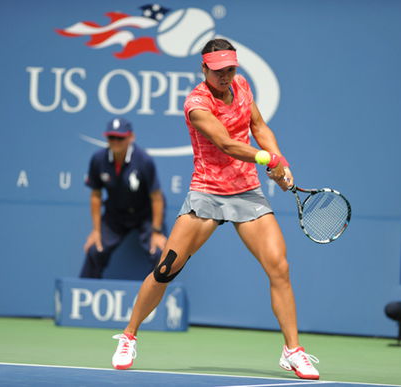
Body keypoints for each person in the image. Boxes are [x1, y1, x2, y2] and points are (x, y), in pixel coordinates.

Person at [109, 38, 320, 380]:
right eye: (218, 71)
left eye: (230, 69)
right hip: (207, 193)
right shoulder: (196, 103)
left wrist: (281, 162)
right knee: (166, 269)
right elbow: (225, 143)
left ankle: (293, 351)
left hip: (247, 191)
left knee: (279, 267)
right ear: (204, 68)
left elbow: (258, 127)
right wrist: (270, 159)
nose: (225, 77)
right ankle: (129, 335)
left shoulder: (242, 86)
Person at [80, 117, 167, 279]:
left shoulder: (144, 160)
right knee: (94, 250)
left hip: (145, 215)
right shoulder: (98, 160)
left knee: (159, 254)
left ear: (130, 137)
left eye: (120, 137)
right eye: (111, 137)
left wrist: (156, 231)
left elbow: (156, 197)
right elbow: (96, 195)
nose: (116, 141)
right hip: (116, 215)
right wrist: (96, 231)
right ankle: (85, 296)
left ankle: (156, 300)